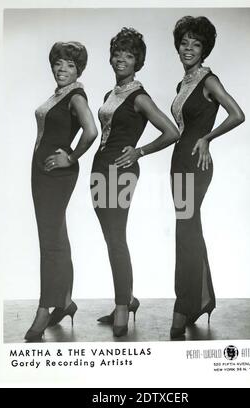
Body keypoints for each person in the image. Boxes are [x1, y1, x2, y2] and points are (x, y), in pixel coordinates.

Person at [91, 27, 179, 337]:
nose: (121, 60)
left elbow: (171, 131)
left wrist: (139, 151)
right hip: (99, 169)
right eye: (117, 54)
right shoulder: (109, 95)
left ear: (136, 61)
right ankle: (127, 298)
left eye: (128, 55)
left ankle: (121, 307)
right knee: (110, 237)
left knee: (117, 238)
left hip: (122, 172)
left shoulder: (139, 96)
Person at [170, 16, 245, 339]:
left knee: (185, 232)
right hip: (178, 164)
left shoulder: (208, 80)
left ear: (204, 49)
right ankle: (200, 299)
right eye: (184, 43)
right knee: (187, 230)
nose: (188, 49)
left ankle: (182, 307)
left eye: (195, 44)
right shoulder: (183, 83)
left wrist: (207, 138)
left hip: (194, 165)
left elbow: (237, 113)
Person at [25, 41, 98, 342]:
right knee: (57, 237)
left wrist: (71, 156)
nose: (62, 69)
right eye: (58, 63)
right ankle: (65, 302)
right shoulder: (59, 94)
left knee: (50, 242)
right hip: (42, 172)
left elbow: (91, 131)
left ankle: (45, 308)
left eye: (69, 64)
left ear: (78, 69)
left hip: (57, 173)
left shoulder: (76, 95)